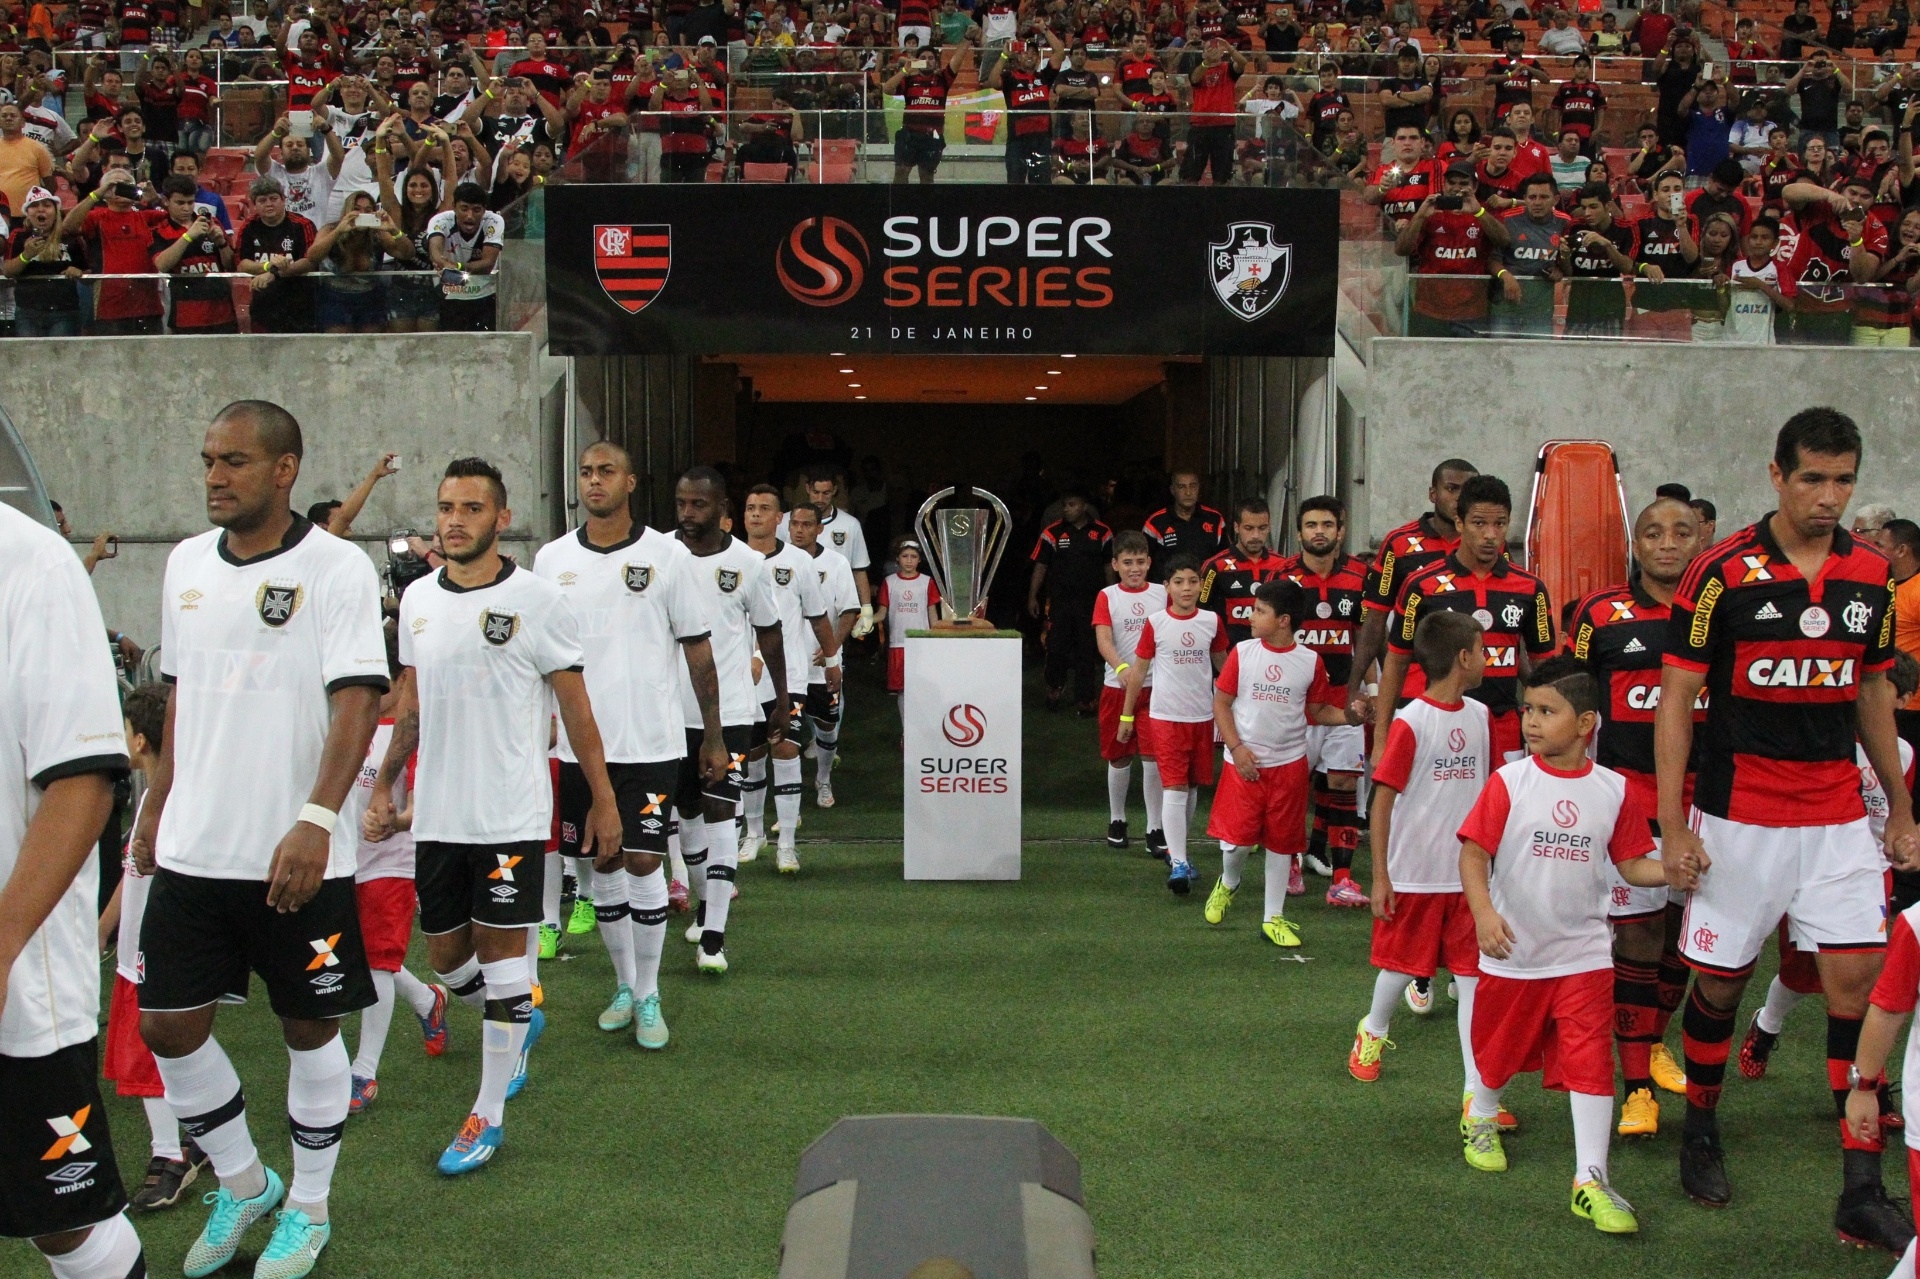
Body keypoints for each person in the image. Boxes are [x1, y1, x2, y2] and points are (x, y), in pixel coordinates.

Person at [132, 400, 388, 1278]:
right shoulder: (182, 564)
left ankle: (308, 1206)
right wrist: (155, 808)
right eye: (208, 458)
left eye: (234, 461)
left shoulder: (337, 568)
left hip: (296, 849)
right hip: (198, 845)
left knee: (310, 1028)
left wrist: (317, 819)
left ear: (285, 469)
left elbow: (359, 698)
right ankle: (244, 1180)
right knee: (166, 1023)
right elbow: (179, 700)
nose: (214, 475)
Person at [1659, 409, 1918, 1251]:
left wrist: (1900, 807)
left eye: (1843, 479)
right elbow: (1674, 702)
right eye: (1813, 478)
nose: (1828, 496)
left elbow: (1872, 693)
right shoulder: (1720, 573)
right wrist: (1672, 823)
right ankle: (1699, 1126)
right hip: (1739, 817)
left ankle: (1860, 1185)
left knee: (1857, 989)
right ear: (1777, 474)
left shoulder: (1871, 576)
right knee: (1723, 985)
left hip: (1839, 817)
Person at [378, 457, 615, 1176]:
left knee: (507, 958)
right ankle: (518, 1018)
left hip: (510, 811)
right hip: (439, 814)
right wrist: (384, 785)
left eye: (472, 508)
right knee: (448, 958)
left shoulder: (540, 600)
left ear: (501, 518)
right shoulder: (417, 600)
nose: (455, 519)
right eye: (447, 506)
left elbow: (575, 708)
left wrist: (602, 798)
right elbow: (410, 707)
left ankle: (487, 1113)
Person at [527, 441, 727, 1046]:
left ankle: (649, 994)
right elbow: (536, 657)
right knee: (601, 862)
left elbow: (698, 649)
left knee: (643, 859)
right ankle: (623, 984)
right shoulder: (551, 559)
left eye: (606, 471)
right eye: (586, 472)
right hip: (576, 749)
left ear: (631, 482)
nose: (594, 481)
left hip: (649, 742)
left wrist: (712, 735)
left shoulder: (666, 556)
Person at [1457, 657, 1666, 1233]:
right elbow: (1474, 853)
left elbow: (1631, 865)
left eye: (1547, 711)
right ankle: (1483, 1112)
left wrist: (1674, 869)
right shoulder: (1510, 781)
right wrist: (1483, 913)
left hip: (1585, 955)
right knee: (1496, 1056)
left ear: (1586, 723)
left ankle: (1591, 1178)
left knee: (1590, 1061)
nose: (1531, 721)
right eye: (1528, 709)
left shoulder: (1614, 789)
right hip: (1515, 952)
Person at [0, 497, 146, 1279]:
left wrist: (1, 945)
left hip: (19, 984)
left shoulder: (31, 562)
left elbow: (85, 782)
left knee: (64, 1221)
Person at [1567, 496, 1703, 1138]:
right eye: (1654, 533)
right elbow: (1574, 695)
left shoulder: (1721, 611)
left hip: (1710, 804)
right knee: (1640, 936)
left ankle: (1651, 1038)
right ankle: (1638, 1089)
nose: (1667, 544)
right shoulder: (1601, 614)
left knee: (1691, 937)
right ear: (1637, 543)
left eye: (1681, 532)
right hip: (1628, 803)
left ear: (1701, 536)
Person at [1350, 611, 1499, 1124]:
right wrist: (1381, 875)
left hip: (1468, 879)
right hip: (1414, 873)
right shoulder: (1412, 721)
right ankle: (1373, 1029)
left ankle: (1476, 1094)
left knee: (1474, 981)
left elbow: (1494, 791)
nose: (1488, 657)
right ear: (1463, 658)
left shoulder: (1482, 717)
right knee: (1400, 967)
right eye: (1482, 649)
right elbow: (1383, 801)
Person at [97, 683, 209, 1211]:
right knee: (161, 1052)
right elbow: (131, 875)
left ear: (140, 740)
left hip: (155, 954)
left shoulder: (176, 800)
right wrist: (103, 927)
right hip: (133, 955)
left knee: (148, 1055)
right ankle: (197, 1136)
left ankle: (172, 1155)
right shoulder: (150, 798)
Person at [673, 466, 786, 972]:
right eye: (681, 504)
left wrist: (781, 699)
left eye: (698, 505)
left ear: (722, 508)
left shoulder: (748, 563)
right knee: (687, 817)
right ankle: (703, 901)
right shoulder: (659, 556)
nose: (688, 514)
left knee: (722, 814)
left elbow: (770, 631)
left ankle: (714, 935)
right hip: (668, 713)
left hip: (733, 712)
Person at [1206, 579, 1359, 948]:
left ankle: (1272, 918)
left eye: (1260, 611)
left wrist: (1352, 717)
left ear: (1283, 620)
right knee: (1237, 844)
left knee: (1280, 844)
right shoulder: (1242, 653)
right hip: (1242, 764)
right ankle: (1229, 882)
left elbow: (1319, 711)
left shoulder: (1309, 662)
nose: (1250, 615)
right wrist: (1237, 748)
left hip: (1289, 765)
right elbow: (1221, 704)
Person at [1377, 473, 1554, 769]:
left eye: (1500, 524)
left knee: (1502, 814)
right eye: (1479, 523)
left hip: (1505, 729)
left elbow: (1546, 669)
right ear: (1459, 523)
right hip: (1439, 725)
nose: (1490, 535)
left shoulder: (1531, 589)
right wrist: (1382, 738)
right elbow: (1396, 663)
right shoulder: (1422, 585)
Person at [338, 649, 448, 1114]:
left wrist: (396, 822)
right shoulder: (347, 726)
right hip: (345, 861)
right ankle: (428, 1001)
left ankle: (363, 1071)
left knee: (378, 963)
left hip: (393, 863)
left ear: (402, 679)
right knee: (357, 957)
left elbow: (422, 804)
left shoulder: (412, 734)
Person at [738, 486, 838, 871]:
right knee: (751, 757)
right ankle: (754, 833)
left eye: (765, 508)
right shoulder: (731, 558)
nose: (756, 514)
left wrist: (832, 662)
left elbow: (817, 615)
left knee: (786, 749)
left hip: (789, 676)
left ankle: (788, 844)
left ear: (778, 518)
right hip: (742, 677)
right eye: (750, 508)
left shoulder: (799, 562)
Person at [1119, 553, 1226, 894]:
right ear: (1166, 587)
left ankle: (1180, 851)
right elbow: (1138, 672)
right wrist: (1127, 714)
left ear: (1200, 585)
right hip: (1165, 718)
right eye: (1178, 582)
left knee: (1192, 786)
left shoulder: (1211, 621)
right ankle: (1178, 860)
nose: (1186, 588)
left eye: (1192, 581)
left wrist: (1238, 709)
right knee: (1175, 787)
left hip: (1202, 718)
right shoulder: (1156, 623)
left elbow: (1227, 670)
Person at [1282, 497, 1370, 904]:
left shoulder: (1361, 578)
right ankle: (1290, 864)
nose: (1319, 531)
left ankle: (1344, 879)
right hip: (1293, 705)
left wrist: (1367, 693)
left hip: (1342, 703)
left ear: (1340, 530)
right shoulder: (1281, 579)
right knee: (1293, 788)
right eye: (1311, 524)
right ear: (1299, 532)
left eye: (1327, 524)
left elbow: (1367, 643)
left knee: (1343, 785)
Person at [1351, 458, 1478, 738]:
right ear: (1433, 493)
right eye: (1451, 488)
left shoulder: (1486, 545)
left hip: (1476, 691)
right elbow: (1375, 620)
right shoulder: (1399, 544)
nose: (1459, 498)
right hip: (1411, 688)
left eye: (1466, 490)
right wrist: (1353, 686)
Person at [1094, 531, 1168, 853]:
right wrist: (1123, 669)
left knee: (1152, 757)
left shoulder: (1163, 594)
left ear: (1150, 563)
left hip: (1155, 689)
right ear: (1115, 564)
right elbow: (1104, 639)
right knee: (1119, 756)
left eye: (1140, 561)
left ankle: (1155, 826)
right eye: (1127, 562)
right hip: (1117, 688)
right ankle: (1117, 818)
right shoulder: (1107, 596)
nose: (1134, 568)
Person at [788, 503, 856, 813]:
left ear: (819, 529)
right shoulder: (776, 561)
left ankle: (823, 778)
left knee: (826, 727)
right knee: (783, 732)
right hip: (787, 666)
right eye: (794, 524)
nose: (799, 530)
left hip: (821, 666)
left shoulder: (837, 563)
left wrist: (831, 651)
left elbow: (849, 611)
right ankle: (785, 800)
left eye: (806, 524)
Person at [1030, 489, 1114, 715]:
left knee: (1086, 650)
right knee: (1056, 647)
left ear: (1084, 506)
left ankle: (1085, 699)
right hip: (1060, 601)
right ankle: (1055, 686)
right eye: (1065, 505)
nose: (1067, 509)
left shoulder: (1102, 532)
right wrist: (1032, 596)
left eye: (1072, 504)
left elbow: (1109, 567)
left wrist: (1113, 597)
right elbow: (1040, 566)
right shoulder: (1053, 532)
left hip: (1091, 602)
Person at [1198, 497, 1287, 650]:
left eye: (1262, 528)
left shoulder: (1283, 566)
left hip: (1272, 657)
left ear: (1269, 527)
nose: (1256, 536)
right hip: (1229, 657)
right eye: (1249, 528)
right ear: (1236, 527)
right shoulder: (1215, 566)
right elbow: (1200, 613)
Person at [236, 176, 321, 334]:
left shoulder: (302, 225)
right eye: (262, 200)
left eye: (274, 198)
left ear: (284, 200)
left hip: (299, 307)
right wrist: (268, 266)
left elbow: (310, 261)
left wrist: (273, 274)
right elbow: (241, 263)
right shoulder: (248, 227)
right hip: (263, 307)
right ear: (254, 205)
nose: (269, 204)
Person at [2, 184, 87, 337]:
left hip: (65, 312)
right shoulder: (19, 236)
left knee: (60, 357)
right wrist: (26, 255)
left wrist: (78, 272)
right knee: (30, 358)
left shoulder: (69, 237)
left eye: (47, 205)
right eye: (34, 206)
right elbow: (7, 271)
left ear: (56, 211)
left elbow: (88, 273)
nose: (41, 209)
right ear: (27, 213)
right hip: (28, 312)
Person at [883, 36, 970, 185]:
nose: (928, 60)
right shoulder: (909, 80)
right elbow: (887, 89)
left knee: (927, 176)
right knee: (901, 172)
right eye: (923, 58)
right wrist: (905, 70)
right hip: (909, 135)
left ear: (936, 62)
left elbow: (958, 58)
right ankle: (900, 206)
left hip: (932, 137)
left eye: (931, 58)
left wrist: (967, 39)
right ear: (917, 61)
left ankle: (925, 208)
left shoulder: (943, 79)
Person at [1493, 173, 1571, 336]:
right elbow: (1492, 259)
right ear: (1525, 199)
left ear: (1555, 200)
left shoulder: (1565, 223)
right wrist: (1505, 276)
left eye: (1543, 197)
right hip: (1505, 306)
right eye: (1532, 197)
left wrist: (1558, 269)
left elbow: (1566, 265)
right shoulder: (1507, 219)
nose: (1537, 202)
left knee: (1538, 357)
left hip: (1540, 308)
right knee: (1499, 356)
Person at [428, 183, 505, 332]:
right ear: (454, 207)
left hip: (485, 295)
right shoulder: (440, 220)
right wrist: (441, 261)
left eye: (476, 210)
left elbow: (488, 264)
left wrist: (456, 267)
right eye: (464, 208)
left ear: (484, 210)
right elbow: (435, 253)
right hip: (450, 295)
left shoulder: (494, 221)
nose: (469, 216)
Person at [874, 538, 941, 698]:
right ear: (898, 558)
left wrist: (939, 634)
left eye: (913, 556)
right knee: (902, 692)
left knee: (922, 688)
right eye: (905, 556)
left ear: (919, 559)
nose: (909, 560)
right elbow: (881, 614)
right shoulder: (890, 582)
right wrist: (863, 619)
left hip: (920, 642)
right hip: (898, 642)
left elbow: (932, 614)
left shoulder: (927, 582)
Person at [1142, 471, 1227, 583]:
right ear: (1173, 490)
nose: (1188, 492)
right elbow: (1142, 564)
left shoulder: (1215, 519)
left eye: (1192, 486)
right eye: (1182, 487)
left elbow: (1227, 558)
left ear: (1198, 488)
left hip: (1207, 592)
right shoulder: (1155, 523)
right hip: (1167, 594)